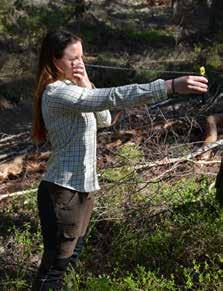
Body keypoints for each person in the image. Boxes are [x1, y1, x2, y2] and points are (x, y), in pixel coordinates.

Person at [31, 29, 208, 290]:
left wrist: (84, 80)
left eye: (82, 57)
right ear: (55, 61)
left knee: (71, 258)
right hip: (62, 190)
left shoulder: (74, 88)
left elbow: (103, 118)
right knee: (55, 268)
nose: (79, 63)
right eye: (73, 59)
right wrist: (168, 86)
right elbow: (111, 97)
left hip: (84, 188)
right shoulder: (56, 93)